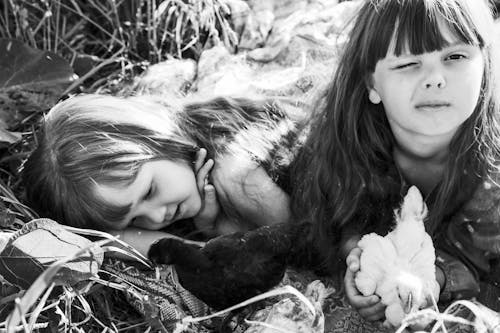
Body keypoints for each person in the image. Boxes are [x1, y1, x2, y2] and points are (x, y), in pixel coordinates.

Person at [289, 0, 500, 321]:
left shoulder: (493, 169)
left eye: (455, 56)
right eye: (408, 63)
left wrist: (429, 283)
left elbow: (476, 259)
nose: (435, 79)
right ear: (372, 83)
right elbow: (346, 219)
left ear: (484, 64)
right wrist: (361, 264)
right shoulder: (347, 144)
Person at [22, 94, 302, 256]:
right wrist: (210, 225)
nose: (156, 217)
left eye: (148, 192)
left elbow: (308, 246)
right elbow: (113, 240)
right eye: (135, 220)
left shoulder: (238, 176)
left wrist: (220, 231)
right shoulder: (189, 146)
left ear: (156, 136)